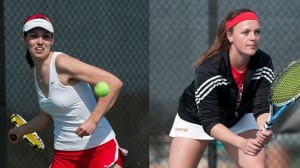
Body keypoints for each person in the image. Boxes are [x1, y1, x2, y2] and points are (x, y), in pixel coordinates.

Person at [8, 13, 127, 168]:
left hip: (100, 148)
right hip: (64, 156)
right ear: (24, 39)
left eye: (45, 36)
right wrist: (20, 131)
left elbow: (114, 83)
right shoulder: (36, 73)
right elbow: (46, 116)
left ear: (52, 40)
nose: (40, 42)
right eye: (34, 36)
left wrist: (93, 120)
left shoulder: (62, 63)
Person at [168, 8, 274, 168]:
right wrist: (241, 143)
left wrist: (263, 127)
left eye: (257, 32)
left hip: (239, 116)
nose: (253, 38)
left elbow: (261, 106)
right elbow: (209, 121)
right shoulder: (210, 69)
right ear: (229, 36)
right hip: (196, 119)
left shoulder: (263, 62)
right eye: (245, 32)